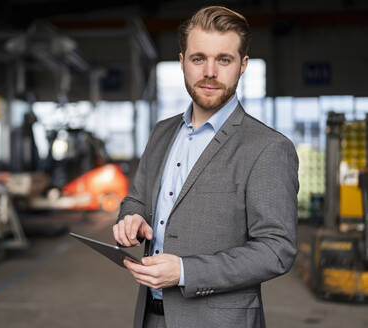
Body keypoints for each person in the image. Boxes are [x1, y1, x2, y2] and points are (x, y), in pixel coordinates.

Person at [113, 5, 299, 328]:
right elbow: (137, 200)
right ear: (182, 62)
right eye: (198, 59)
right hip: (150, 317)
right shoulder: (161, 133)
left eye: (223, 60)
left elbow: (276, 249)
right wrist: (130, 218)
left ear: (242, 66)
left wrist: (185, 271)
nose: (210, 72)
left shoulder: (268, 148)